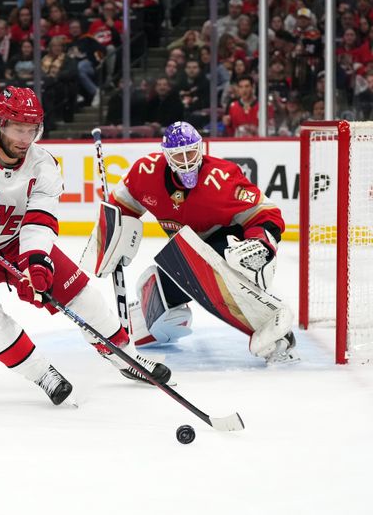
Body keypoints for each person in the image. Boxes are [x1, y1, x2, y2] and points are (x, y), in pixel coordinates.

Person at [0, 86, 171, 405]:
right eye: (17, 128)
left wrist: (36, 263)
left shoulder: (44, 165)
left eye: (32, 130)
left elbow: (39, 220)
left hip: (12, 245)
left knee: (84, 297)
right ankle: (41, 373)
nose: (25, 138)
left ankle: (127, 358)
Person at [106, 121, 296, 362]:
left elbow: (266, 212)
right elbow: (122, 205)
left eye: (191, 152)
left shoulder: (221, 178)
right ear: (166, 156)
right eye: (178, 155)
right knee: (156, 296)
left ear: (201, 148)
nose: (186, 161)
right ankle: (147, 320)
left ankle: (267, 322)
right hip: (184, 256)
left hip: (227, 245)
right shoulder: (146, 172)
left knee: (214, 264)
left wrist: (260, 242)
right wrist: (114, 234)